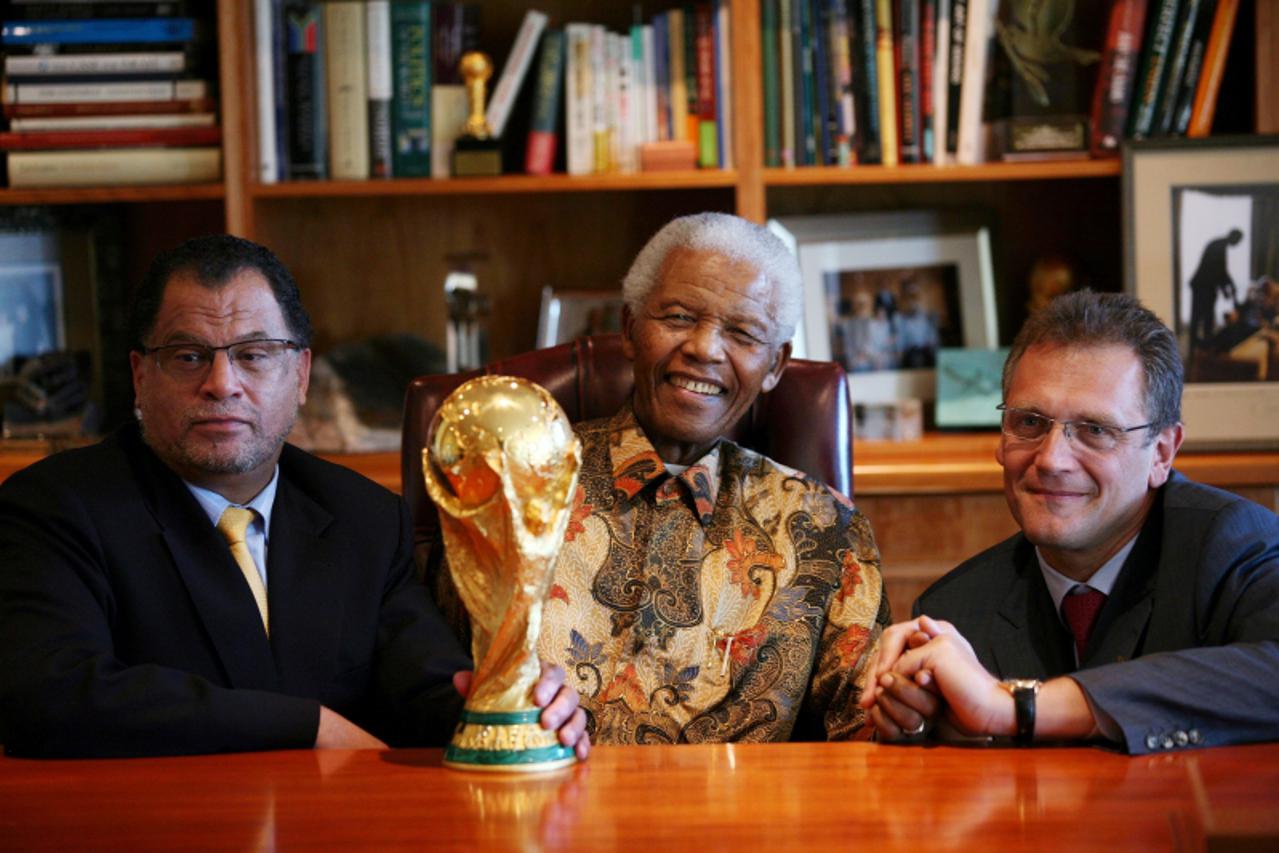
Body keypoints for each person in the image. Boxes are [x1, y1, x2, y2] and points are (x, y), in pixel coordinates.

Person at [0, 235, 589, 759]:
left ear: (301, 375)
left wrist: (512, 707)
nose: (222, 384)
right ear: (139, 376)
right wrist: (306, 727)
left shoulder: (363, 517)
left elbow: (425, 688)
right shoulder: (54, 508)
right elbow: (49, 696)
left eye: (254, 355)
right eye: (188, 356)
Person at [506, 213, 888, 743]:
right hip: (544, 792)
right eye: (680, 317)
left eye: (743, 332)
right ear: (629, 329)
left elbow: (870, 728)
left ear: (775, 366)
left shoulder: (826, 526)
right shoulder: (516, 486)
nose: (705, 348)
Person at [860, 291, 1279, 753]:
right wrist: (915, 721)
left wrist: (1015, 707)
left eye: (1095, 430)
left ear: (1162, 453)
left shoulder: (1232, 546)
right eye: (1030, 423)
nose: (1051, 460)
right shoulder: (956, 611)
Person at [1188, 228, 1243, 350]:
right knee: (1203, 316)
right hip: (1203, 286)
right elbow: (1219, 271)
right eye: (1238, 241)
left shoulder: (1219, 245)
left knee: (1202, 316)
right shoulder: (1219, 247)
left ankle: (1200, 346)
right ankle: (1200, 347)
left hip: (1204, 285)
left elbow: (1221, 271)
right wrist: (1226, 290)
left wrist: (1230, 286)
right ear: (1234, 237)